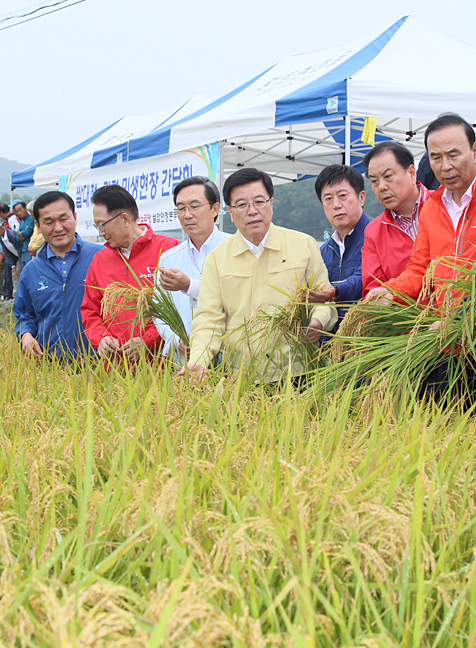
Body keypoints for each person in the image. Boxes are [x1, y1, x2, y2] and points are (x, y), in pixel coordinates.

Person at [180, 168, 337, 382]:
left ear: (271, 204)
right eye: (242, 205)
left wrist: (318, 322)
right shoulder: (217, 259)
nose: (252, 211)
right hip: (241, 378)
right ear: (231, 212)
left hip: (299, 373)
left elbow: (324, 298)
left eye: (259, 202)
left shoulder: (303, 245)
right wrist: (198, 360)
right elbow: (209, 318)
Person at [367, 114, 476, 304]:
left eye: (453, 155)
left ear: (474, 152)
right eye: (436, 158)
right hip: (444, 326)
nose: (446, 166)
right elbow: (420, 269)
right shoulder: (432, 208)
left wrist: (462, 317)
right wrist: (390, 291)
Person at [81, 184, 180, 361]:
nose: (100, 232)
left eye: (102, 224)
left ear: (125, 219)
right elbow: (90, 310)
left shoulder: (169, 249)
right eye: (96, 226)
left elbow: (181, 308)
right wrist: (101, 338)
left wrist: (149, 340)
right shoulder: (99, 261)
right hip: (115, 370)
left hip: (162, 367)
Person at [13, 191, 103, 358]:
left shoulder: (102, 257)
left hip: (101, 367)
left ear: (75, 217)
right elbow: (24, 313)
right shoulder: (31, 271)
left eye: (63, 219)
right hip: (52, 370)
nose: (58, 228)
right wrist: (26, 334)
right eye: (49, 222)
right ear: (38, 226)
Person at [155, 176, 230, 365]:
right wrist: (176, 339)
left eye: (194, 207)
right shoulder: (168, 259)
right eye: (181, 209)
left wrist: (189, 286)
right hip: (184, 364)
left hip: (230, 360)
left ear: (215, 209)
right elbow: (159, 311)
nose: (187, 215)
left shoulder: (234, 249)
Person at [361, 142, 430, 297]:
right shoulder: (373, 232)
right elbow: (374, 288)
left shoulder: (444, 204)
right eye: (374, 181)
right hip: (409, 318)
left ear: (412, 173)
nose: (382, 187)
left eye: (388, 177)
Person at [312, 165, 370, 331]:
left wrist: (335, 290)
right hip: (329, 347)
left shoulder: (378, 238)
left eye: (342, 196)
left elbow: (366, 277)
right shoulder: (322, 252)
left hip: (366, 345)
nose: (336, 205)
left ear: (361, 198)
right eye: (328, 199)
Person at [8, 201, 35, 268]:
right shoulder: (22, 222)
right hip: (23, 250)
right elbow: (17, 238)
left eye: (20, 210)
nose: (19, 213)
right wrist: (22, 233)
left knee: (30, 270)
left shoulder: (31, 219)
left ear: (25, 208)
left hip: (30, 249)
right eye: (16, 211)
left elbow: (28, 232)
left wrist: (21, 233)